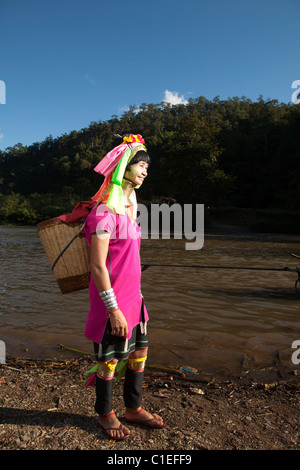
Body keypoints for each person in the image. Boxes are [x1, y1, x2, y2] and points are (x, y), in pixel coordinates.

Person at [83, 133, 165, 440]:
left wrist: (140, 299)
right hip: (112, 304)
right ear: (123, 167)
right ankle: (105, 414)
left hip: (135, 301)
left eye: (146, 166)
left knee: (139, 353)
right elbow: (97, 266)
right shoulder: (103, 213)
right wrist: (114, 310)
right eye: (140, 164)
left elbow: (129, 261)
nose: (145, 170)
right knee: (109, 361)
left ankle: (133, 408)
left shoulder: (129, 213)